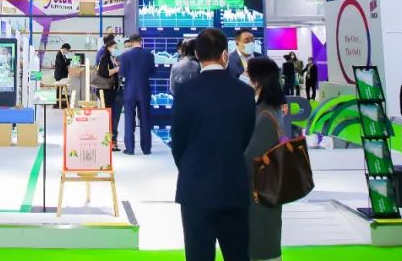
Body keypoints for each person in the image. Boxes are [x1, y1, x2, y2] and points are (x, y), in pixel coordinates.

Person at [171, 28, 258, 261]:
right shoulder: (244, 92)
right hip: (233, 186)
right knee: (238, 254)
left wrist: (191, 168)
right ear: (225, 54)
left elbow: (178, 142)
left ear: (197, 55)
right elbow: (246, 137)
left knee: (198, 255)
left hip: (195, 188)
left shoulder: (185, 92)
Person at [244, 57, 287, 261]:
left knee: (262, 244)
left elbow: (252, 155)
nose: (245, 77)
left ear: (258, 79)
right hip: (264, 191)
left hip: (259, 193)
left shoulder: (264, 115)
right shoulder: (268, 109)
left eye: (248, 73)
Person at [118, 35, 155, 155]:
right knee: (145, 119)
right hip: (144, 90)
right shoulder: (149, 55)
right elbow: (152, 72)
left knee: (129, 119)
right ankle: (146, 148)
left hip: (129, 91)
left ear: (130, 42)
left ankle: (129, 148)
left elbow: (122, 73)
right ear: (141, 41)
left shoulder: (125, 55)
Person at [95, 38, 121, 148]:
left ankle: (111, 140)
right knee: (110, 116)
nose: (116, 49)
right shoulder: (105, 57)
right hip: (107, 91)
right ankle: (109, 141)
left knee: (112, 116)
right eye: (114, 48)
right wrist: (116, 70)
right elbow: (104, 72)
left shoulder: (112, 58)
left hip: (111, 91)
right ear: (109, 47)